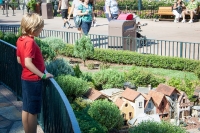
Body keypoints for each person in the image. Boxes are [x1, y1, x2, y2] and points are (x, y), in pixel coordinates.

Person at [16, 13, 53, 133]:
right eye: (40, 28)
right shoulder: (30, 42)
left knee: (26, 108)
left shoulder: (20, 39)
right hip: (33, 81)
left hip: (25, 78)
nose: (41, 30)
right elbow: (27, 63)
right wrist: (42, 74)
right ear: (33, 29)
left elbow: (19, 60)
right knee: (33, 111)